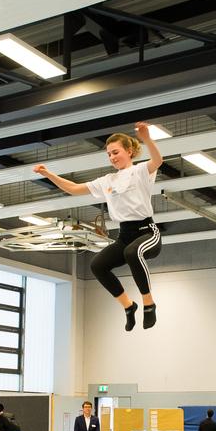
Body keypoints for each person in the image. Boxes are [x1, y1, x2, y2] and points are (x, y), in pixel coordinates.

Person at [34, 121, 164, 331]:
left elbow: (158, 160)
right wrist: (49, 175)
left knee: (132, 253)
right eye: (109, 154)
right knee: (97, 265)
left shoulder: (140, 171)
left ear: (129, 151)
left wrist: (147, 139)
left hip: (146, 231)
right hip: (124, 235)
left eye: (116, 152)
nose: (112, 157)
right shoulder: (107, 180)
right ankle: (129, 306)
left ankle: (149, 304)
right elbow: (75, 189)